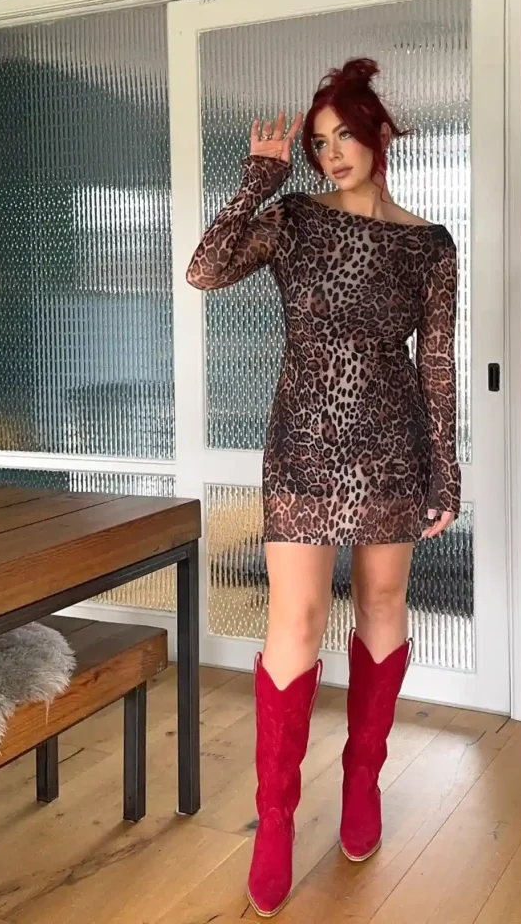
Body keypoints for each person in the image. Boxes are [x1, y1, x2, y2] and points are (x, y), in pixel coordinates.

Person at [187, 58, 460, 918]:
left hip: (390, 450)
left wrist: (443, 471)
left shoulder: (430, 244)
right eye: (317, 143)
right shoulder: (295, 219)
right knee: (294, 619)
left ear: (379, 132)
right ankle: (275, 819)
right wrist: (257, 181)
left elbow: (439, 369)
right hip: (301, 446)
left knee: (382, 608)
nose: (331, 153)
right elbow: (205, 269)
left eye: (344, 134)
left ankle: (362, 785)